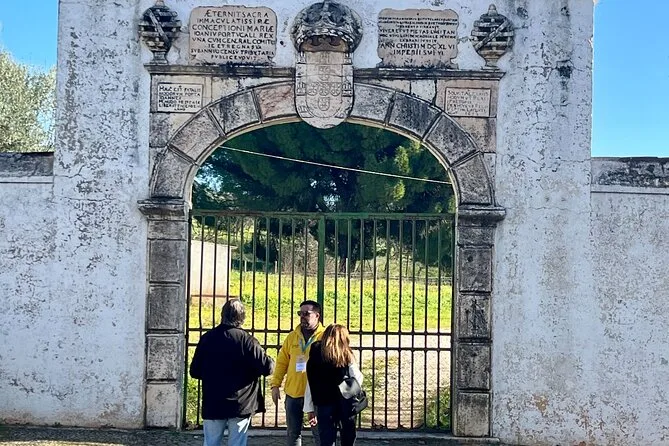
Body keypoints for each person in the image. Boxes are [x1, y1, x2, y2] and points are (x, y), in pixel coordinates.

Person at [190, 299, 275, 446]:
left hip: (213, 401)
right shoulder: (247, 340)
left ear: (222, 315)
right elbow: (267, 368)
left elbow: (195, 371)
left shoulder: (207, 338)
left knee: (211, 442)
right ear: (242, 317)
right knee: (237, 443)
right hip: (241, 402)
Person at [270, 300, 325, 446]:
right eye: (300, 313)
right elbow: (282, 362)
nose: (302, 317)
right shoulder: (292, 337)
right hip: (293, 393)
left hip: (315, 394)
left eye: (306, 313)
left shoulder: (324, 337)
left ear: (317, 315)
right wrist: (275, 385)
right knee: (293, 433)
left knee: (320, 433)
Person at [303, 324, 363, 446]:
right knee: (348, 438)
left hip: (323, 402)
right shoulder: (345, 353)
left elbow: (310, 382)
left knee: (326, 440)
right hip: (345, 402)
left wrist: (309, 408)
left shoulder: (315, 354)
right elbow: (357, 378)